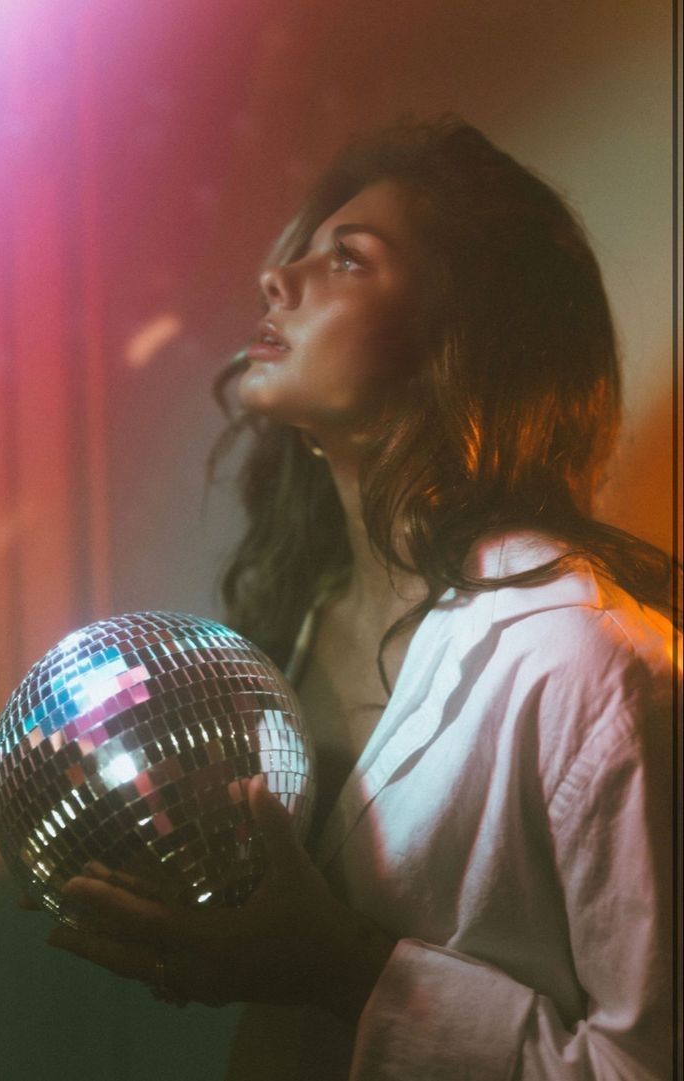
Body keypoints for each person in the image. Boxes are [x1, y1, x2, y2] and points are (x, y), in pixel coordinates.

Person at [43, 116, 678, 1079]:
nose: (277, 279)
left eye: (347, 260)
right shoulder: (292, 622)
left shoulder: (587, 661)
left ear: (459, 339)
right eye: (298, 253)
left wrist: (342, 970)